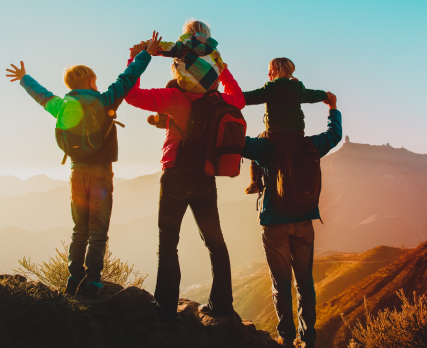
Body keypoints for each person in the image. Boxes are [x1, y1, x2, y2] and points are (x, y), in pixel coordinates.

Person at [5, 31, 163, 296]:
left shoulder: (62, 106)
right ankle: (93, 281)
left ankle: (73, 279)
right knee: (98, 231)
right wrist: (146, 54)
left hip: (76, 173)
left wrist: (24, 79)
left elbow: (41, 95)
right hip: (101, 173)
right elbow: (127, 79)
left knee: (80, 230)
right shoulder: (103, 101)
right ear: (91, 81)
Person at [124, 32, 244, 322]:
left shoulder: (173, 97)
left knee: (168, 242)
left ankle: (165, 308)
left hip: (175, 175)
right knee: (216, 243)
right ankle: (222, 305)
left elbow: (131, 95)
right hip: (205, 178)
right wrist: (221, 67)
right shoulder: (217, 98)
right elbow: (239, 100)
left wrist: (139, 58)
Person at [241, 93, 341, 348]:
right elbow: (334, 135)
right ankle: (307, 339)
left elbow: (234, 142)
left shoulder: (263, 145)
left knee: (281, 284)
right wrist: (333, 108)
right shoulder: (309, 143)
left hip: (274, 221)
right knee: (305, 283)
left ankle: (285, 337)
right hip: (303, 221)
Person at [242, 58, 328, 194]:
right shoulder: (299, 88)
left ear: (282, 71)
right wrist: (326, 95)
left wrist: (230, 98)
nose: (269, 74)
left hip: (274, 136)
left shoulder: (270, 88)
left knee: (258, 141)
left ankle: (255, 182)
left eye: (271, 70)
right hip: (297, 134)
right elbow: (312, 95)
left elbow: (250, 97)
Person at [156, 19, 224, 94]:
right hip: (210, 89)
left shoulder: (183, 46)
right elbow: (221, 68)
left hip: (186, 86)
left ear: (188, 33)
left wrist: (146, 46)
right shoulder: (214, 50)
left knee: (171, 84)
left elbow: (164, 47)